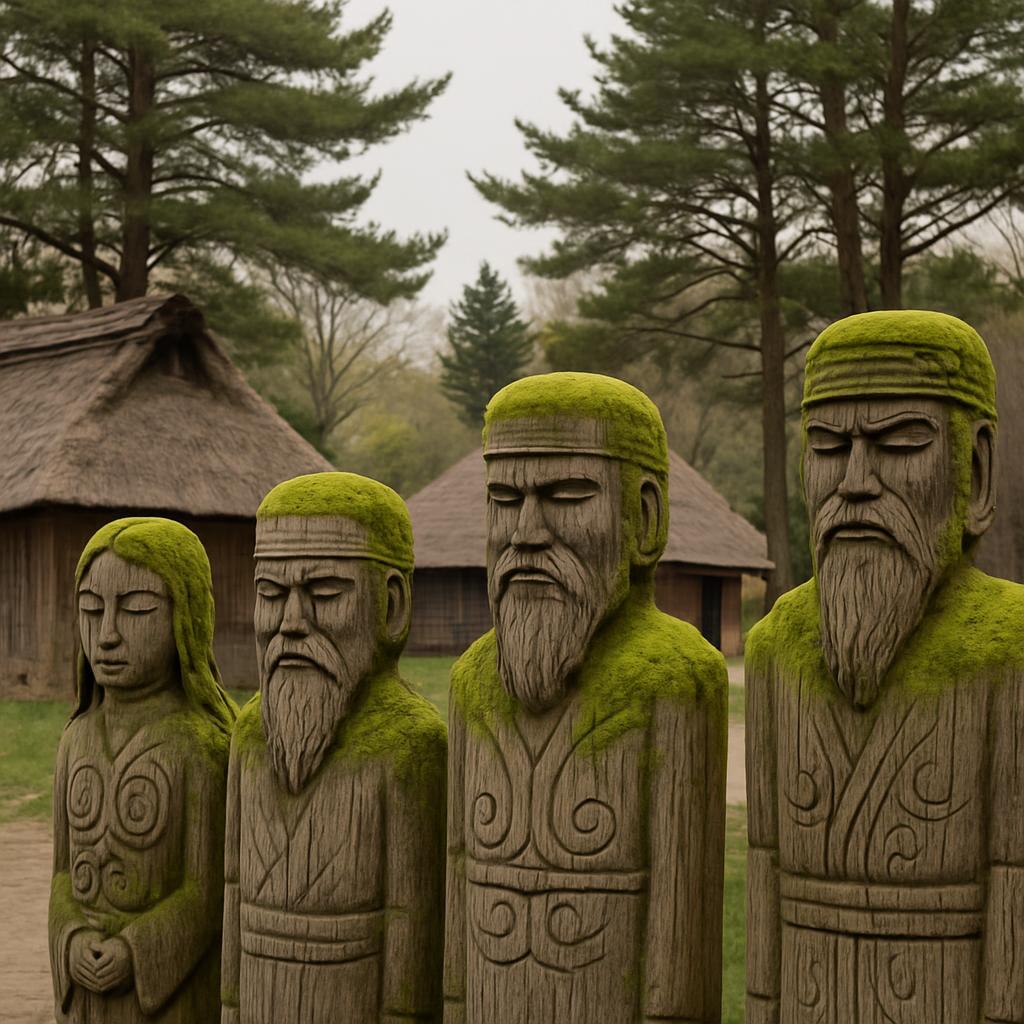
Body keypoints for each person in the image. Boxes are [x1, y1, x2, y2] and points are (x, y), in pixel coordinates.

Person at [746, 310, 1024, 1023]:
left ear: (976, 470)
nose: (856, 482)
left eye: (899, 443)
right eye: (829, 447)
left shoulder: (1011, 646)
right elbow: (766, 869)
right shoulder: (777, 643)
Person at [444, 372, 728, 1024]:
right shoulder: (471, 682)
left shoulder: (676, 680)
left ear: (644, 517)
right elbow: (457, 890)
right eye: (505, 500)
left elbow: (681, 922)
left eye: (567, 495)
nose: (527, 532)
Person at [222, 472, 446, 1024]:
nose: (291, 624)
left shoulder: (408, 744)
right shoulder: (249, 735)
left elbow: (410, 918)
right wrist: (228, 1007)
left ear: (390, 604)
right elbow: (231, 892)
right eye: (272, 595)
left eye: (324, 594)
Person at [50, 516, 236, 1023]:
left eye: (135, 610)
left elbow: (208, 891)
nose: (106, 635)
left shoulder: (202, 745)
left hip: (168, 996)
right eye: (91, 609)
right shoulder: (76, 739)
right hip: (86, 989)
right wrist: (72, 936)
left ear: (185, 616)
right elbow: (64, 873)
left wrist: (137, 949)